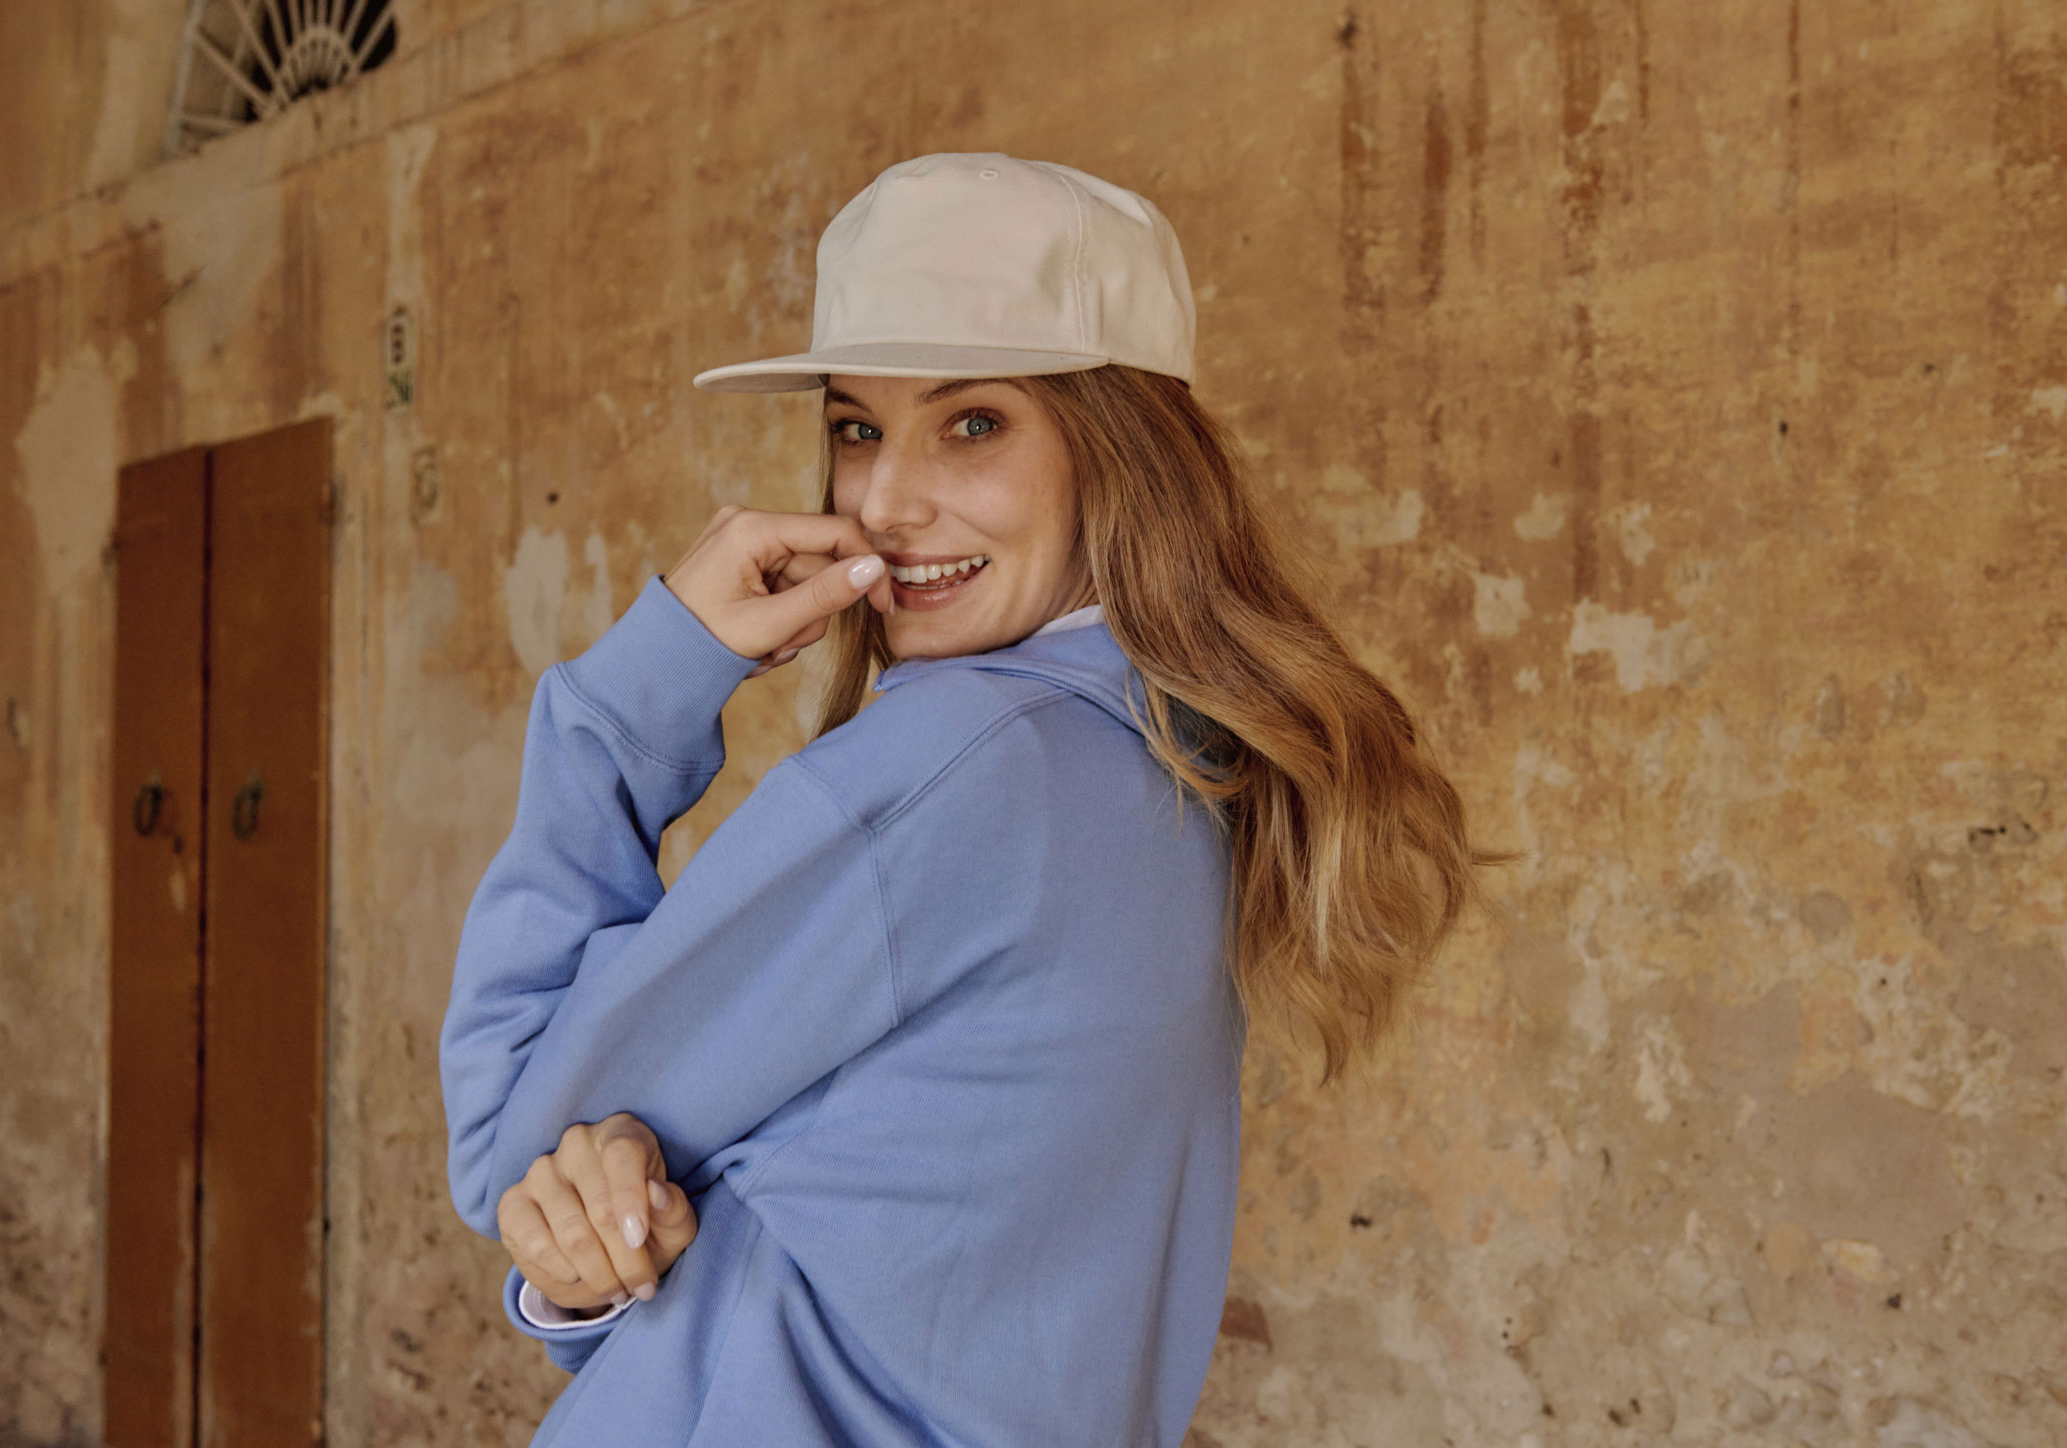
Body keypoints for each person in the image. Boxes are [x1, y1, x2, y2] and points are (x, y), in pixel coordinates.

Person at [439, 151, 1512, 1446]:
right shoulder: (1188, 767)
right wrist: (603, 1251)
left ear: (1120, 454)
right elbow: (821, 1272)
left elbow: (503, 1145)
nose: (887, 504)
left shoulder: (961, 766)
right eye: (856, 429)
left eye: (973, 424)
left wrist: (634, 696)